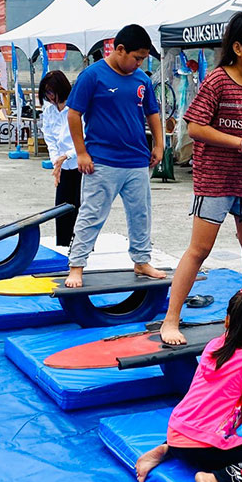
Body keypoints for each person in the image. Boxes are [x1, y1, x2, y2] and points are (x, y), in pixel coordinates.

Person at [160, 12, 242, 345]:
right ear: (237, 47)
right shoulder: (217, 80)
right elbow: (195, 128)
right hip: (215, 181)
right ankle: (171, 319)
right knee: (199, 250)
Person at [135, 288, 242, 482]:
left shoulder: (213, 345)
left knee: (199, 428)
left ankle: (168, 449)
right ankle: (215, 478)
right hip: (204, 451)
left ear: (226, 321)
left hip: (176, 432)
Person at [64, 24, 166, 287]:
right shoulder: (92, 76)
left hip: (136, 161)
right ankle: (77, 265)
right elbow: (74, 114)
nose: (139, 63)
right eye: (137, 57)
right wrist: (81, 153)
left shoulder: (142, 79)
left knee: (141, 214)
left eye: (143, 58)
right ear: (119, 49)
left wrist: (159, 144)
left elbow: (152, 113)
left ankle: (142, 261)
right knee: (92, 214)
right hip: (101, 161)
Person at [38, 70, 79, 247]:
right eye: (46, 93)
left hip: (80, 163)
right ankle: (62, 244)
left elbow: (85, 136)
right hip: (63, 165)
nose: (49, 97)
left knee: (80, 206)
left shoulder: (76, 108)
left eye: (51, 92)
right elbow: (49, 136)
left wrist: (67, 155)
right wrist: (56, 160)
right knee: (61, 207)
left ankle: (81, 245)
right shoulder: (49, 111)